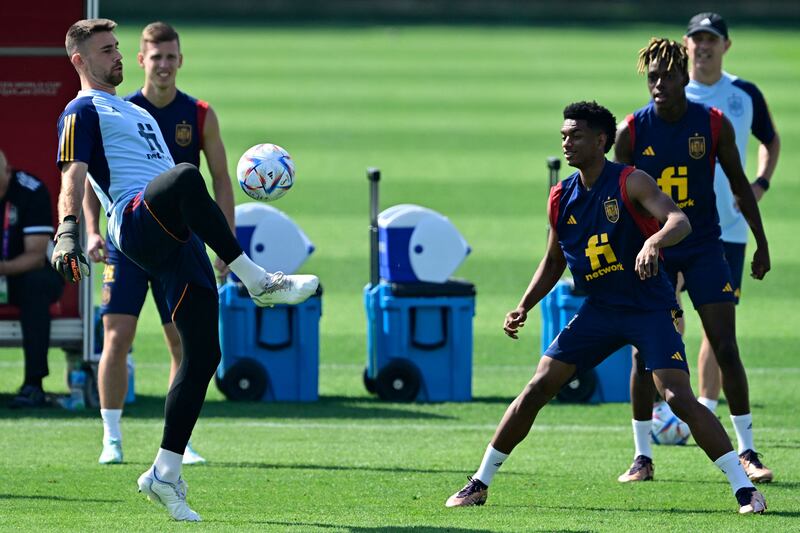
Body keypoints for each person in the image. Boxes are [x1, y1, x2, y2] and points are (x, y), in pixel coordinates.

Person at [445, 101, 766, 514]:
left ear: (601, 141)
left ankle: (744, 489)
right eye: (563, 135)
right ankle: (479, 483)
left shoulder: (631, 181)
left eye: (575, 135)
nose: (566, 142)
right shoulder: (561, 196)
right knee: (538, 387)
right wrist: (524, 305)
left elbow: (679, 221)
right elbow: (554, 260)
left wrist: (653, 241)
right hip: (600, 310)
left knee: (677, 396)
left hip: (648, 306)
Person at [55, 19, 318, 521]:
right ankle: (258, 279)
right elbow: (74, 175)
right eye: (106, 50)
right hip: (133, 222)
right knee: (183, 176)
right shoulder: (80, 109)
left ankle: (164, 474)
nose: (116, 56)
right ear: (79, 61)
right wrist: (68, 230)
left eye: (116, 48)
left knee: (204, 355)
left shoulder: (136, 112)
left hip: (175, 235)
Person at [615, 38, 772, 485]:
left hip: (704, 245)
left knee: (724, 344)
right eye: (652, 78)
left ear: (685, 77)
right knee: (644, 353)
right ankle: (642, 457)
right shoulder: (632, 131)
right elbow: (617, 198)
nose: (659, 84)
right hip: (654, 250)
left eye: (667, 75)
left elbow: (741, 184)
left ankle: (747, 449)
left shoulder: (713, 123)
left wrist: (761, 242)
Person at [83, 21, 236, 466]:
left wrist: (225, 242)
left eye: (171, 57)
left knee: (181, 343)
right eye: (156, 58)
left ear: (180, 60)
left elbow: (221, 181)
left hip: (177, 244)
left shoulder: (199, 113)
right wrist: (90, 230)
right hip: (128, 240)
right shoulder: (119, 110)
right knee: (117, 335)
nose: (164, 65)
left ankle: (179, 440)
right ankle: (111, 436)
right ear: (141, 61)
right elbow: (91, 180)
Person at [683, 12, 781, 419]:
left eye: (712, 39)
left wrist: (760, 184)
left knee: (716, 324)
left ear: (726, 45)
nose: (703, 46)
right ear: (686, 45)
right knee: (665, 313)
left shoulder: (744, 93)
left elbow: (770, 140)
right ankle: (669, 403)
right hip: (676, 227)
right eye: (697, 39)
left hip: (730, 231)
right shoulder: (672, 95)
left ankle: (704, 409)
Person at [0, 150, 64, 408]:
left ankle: (33, 384)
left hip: (25, 273)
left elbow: (36, 256)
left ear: (8, 171)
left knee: (36, 284)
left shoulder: (31, 190)